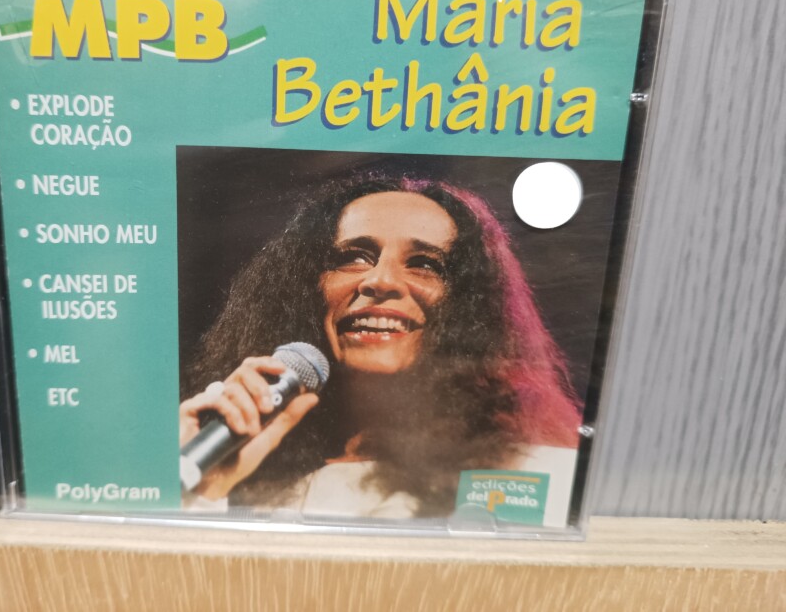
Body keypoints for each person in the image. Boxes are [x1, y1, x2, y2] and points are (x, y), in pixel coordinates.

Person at [179, 173, 582, 519]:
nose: (380, 281)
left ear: (470, 306)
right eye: (354, 257)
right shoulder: (247, 471)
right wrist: (203, 486)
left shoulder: (535, 474)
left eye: (424, 264)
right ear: (305, 289)